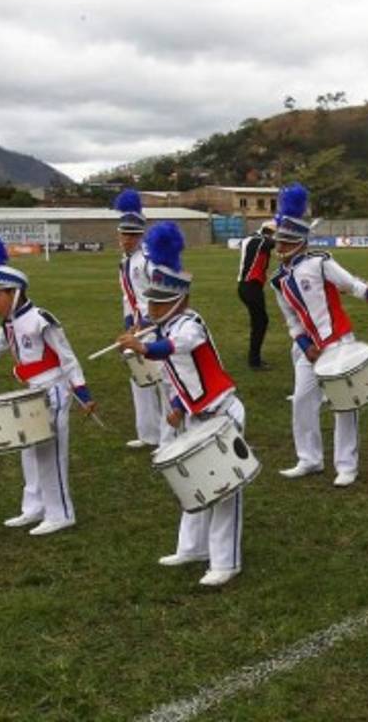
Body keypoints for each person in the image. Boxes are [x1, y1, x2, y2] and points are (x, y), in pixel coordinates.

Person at [116, 222, 247, 586]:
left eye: (159, 302)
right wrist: (176, 402)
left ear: (179, 299)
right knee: (192, 484)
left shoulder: (191, 322)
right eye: (151, 302)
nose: (152, 308)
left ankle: (226, 561)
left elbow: (177, 349)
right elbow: (179, 373)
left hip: (222, 412)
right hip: (195, 413)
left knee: (224, 490)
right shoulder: (162, 328)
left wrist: (143, 346)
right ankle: (192, 547)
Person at [0, 235, 93, 535]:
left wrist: (82, 392)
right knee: (29, 452)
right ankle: (33, 508)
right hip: (31, 392)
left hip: (55, 391)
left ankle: (60, 513)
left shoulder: (40, 319)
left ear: (15, 293)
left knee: (50, 453)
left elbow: (68, 358)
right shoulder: (8, 325)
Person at [268, 183, 368, 486]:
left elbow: (351, 284)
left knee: (344, 403)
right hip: (309, 350)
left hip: (338, 344)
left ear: (297, 242)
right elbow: (292, 320)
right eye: (278, 241)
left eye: (283, 241)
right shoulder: (278, 281)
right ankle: (309, 459)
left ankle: (346, 465)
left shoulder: (320, 262)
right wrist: (305, 344)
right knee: (302, 401)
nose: (278, 247)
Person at [113, 189, 164, 449]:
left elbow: (160, 292)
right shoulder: (125, 261)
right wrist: (128, 325)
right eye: (124, 234)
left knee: (162, 381)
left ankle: (169, 433)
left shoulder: (147, 260)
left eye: (132, 234)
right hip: (137, 327)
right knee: (139, 378)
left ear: (141, 234)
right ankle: (148, 433)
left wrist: (145, 323)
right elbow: (127, 297)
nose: (127, 239)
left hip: (154, 326)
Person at [236, 219, 276, 370]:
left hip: (248, 287)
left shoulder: (251, 239)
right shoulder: (259, 241)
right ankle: (254, 361)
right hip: (250, 287)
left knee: (259, 322)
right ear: (268, 232)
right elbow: (274, 244)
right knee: (260, 322)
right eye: (272, 233)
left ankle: (254, 358)